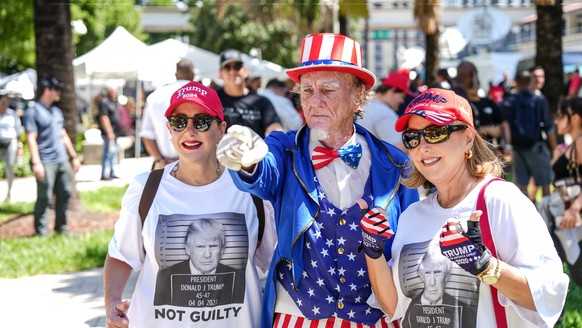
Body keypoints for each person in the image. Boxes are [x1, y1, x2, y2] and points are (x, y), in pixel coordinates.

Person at [217, 33, 419, 328]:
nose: (315, 101)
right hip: (297, 316)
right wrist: (247, 159)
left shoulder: (393, 163)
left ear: (358, 96)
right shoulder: (285, 150)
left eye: (328, 89)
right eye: (307, 90)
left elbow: (408, 249)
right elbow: (262, 173)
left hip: (376, 319)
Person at [362, 88, 568, 327]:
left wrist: (487, 267)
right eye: (412, 137)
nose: (422, 146)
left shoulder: (499, 199)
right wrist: (373, 251)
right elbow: (394, 305)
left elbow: (550, 296)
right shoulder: (413, 216)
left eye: (435, 133)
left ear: (468, 137)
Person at [103, 81, 265, 328]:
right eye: (179, 122)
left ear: (221, 129)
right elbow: (121, 255)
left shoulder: (249, 189)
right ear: (169, 129)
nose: (189, 131)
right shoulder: (146, 189)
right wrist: (112, 301)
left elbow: (279, 259)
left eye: (201, 121)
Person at [23, 77, 81, 236]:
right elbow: (30, 138)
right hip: (45, 162)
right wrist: (36, 162)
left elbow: (63, 135)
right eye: (56, 89)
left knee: (66, 193)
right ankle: (41, 232)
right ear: (47, 90)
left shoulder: (56, 111)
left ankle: (61, 228)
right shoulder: (32, 111)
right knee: (44, 197)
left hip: (62, 160)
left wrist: (73, 157)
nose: (59, 93)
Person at [154, 219, 245, 306]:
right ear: (188, 248)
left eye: (213, 246)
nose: (207, 255)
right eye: (200, 246)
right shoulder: (165, 277)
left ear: (222, 248)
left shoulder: (238, 279)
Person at [541, 97, 582, 287]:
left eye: (560, 115)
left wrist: (575, 208)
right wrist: (558, 157)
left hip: (573, 217)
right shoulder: (571, 145)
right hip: (564, 217)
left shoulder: (580, 142)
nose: (556, 120)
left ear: (574, 118)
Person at [502, 70, 555, 202]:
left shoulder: (510, 101)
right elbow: (548, 126)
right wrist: (554, 148)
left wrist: (508, 144)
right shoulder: (539, 100)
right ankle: (546, 215)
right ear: (530, 81)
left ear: (517, 83)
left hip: (517, 148)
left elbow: (506, 124)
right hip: (536, 145)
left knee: (521, 186)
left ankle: (525, 216)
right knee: (545, 183)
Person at [401, 246, 475, 328]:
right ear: (421, 275)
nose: (432, 282)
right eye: (427, 273)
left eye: (437, 272)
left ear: (447, 275)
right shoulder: (411, 309)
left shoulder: (464, 309)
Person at [141, 59, 195, 169]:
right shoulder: (200, 94)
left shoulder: (155, 96)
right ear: (193, 74)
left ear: (176, 74)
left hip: (164, 163)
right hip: (195, 162)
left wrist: (159, 159)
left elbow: (146, 134)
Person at [217, 49, 283, 138]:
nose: (232, 71)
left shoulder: (262, 102)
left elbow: (275, 130)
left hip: (255, 150)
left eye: (237, 66)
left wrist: (275, 144)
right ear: (220, 74)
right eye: (227, 68)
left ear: (245, 71)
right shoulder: (213, 100)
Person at [358, 70, 414, 151]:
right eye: (402, 96)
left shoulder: (368, 106)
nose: (402, 101)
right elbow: (396, 148)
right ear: (392, 91)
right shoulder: (384, 113)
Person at [0, 91, 23, 202]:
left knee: (9, 167)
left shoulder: (12, 114)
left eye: (6, 102)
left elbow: (18, 132)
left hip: (10, 142)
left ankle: (9, 192)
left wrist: (20, 147)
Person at [98, 84, 121, 180]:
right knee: (107, 153)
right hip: (109, 134)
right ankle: (104, 174)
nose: (115, 93)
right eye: (113, 90)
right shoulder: (104, 102)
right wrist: (109, 132)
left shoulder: (114, 102)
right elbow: (104, 117)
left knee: (113, 153)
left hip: (115, 133)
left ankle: (112, 172)